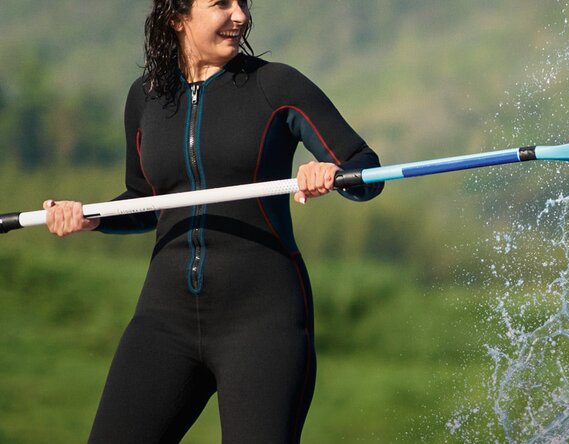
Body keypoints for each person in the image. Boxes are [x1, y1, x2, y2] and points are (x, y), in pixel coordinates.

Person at [40, 0, 383, 441]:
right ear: (177, 16)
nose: (240, 15)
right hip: (163, 322)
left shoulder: (276, 86)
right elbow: (146, 201)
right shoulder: (145, 97)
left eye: (243, 2)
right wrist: (91, 216)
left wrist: (332, 174)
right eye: (221, 3)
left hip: (262, 322)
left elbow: (366, 170)